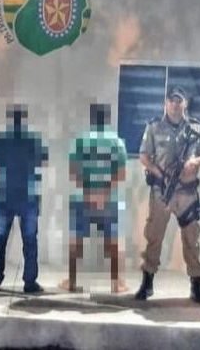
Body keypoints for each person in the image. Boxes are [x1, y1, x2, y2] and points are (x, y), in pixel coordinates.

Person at [135, 86, 200, 304]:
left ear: (185, 104)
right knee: (154, 236)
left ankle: (196, 285)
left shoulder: (195, 127)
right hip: (162, 192)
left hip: (187, 193)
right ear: (166, 103)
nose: (175, 105)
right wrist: (158, 172)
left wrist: (194, 162)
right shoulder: (154, 126)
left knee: (191, 239)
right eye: (172, 101)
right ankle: (147, 282)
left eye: (179, 101)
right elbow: (144, 155)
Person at [60, 103, 127, 293]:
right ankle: (116, 283)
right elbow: (120, 174)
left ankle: (72, 280)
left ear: (91, 119)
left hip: (83, 198)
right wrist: (103, 194)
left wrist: (89, 193)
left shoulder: (80, 141)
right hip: (110, 199)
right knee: (113, 240)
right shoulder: (116, 142)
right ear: (108, 119)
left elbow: (73, 172)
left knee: (76, 239)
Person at [0, 104, 48, 294]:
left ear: (10, 119)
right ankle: (30, 282)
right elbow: (42, 160)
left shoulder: (1, 138)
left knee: (0, 236)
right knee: (30, 239)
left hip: (5, 193)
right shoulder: (33, 139)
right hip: (28, 194)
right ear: (24, 119)